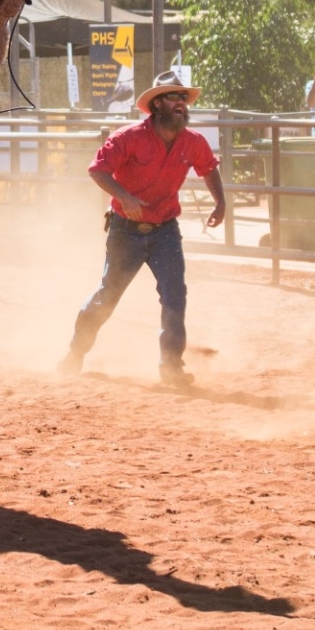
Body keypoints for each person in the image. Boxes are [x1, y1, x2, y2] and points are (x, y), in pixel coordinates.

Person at [61, 69, 225, 390]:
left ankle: (172, 367)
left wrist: (220, 202)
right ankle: (74, 353)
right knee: (108, 295)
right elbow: (98, 171)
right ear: (157, 104)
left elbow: (209, 168)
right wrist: (123, 196)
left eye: (183, 97)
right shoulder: (128, 138)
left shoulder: (193, 142)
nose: (181, 102)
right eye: (173, 97)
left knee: (174, 294)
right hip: (126, 230)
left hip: (165, 230)